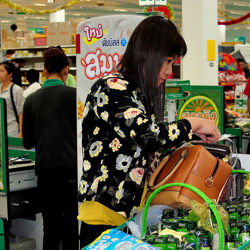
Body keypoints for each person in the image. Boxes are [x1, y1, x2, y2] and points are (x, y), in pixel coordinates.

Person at [78, 16, 221, 248]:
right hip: (105, 216)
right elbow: (148, 135)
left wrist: (192, 137)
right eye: (167, 61)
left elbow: (146, 143)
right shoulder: (112, 87)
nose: (169, 72)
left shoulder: (135, 94)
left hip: (129, 215)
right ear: (148, 54)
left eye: (173, 62)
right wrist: (192, 123)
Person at [22, 47, 78, 250]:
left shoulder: (31, 100)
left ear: (44, 70)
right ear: (66, 70)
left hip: (45, 172)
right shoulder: (75, 96)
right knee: (71, 225)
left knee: (50, 228)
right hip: (71, 170)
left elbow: (27, 142)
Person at [0, 61, 24, 137]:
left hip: (11, 131)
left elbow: (21, 113)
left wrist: (21, 132)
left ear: (10, 74)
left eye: (1, 71)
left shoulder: (16, 90)